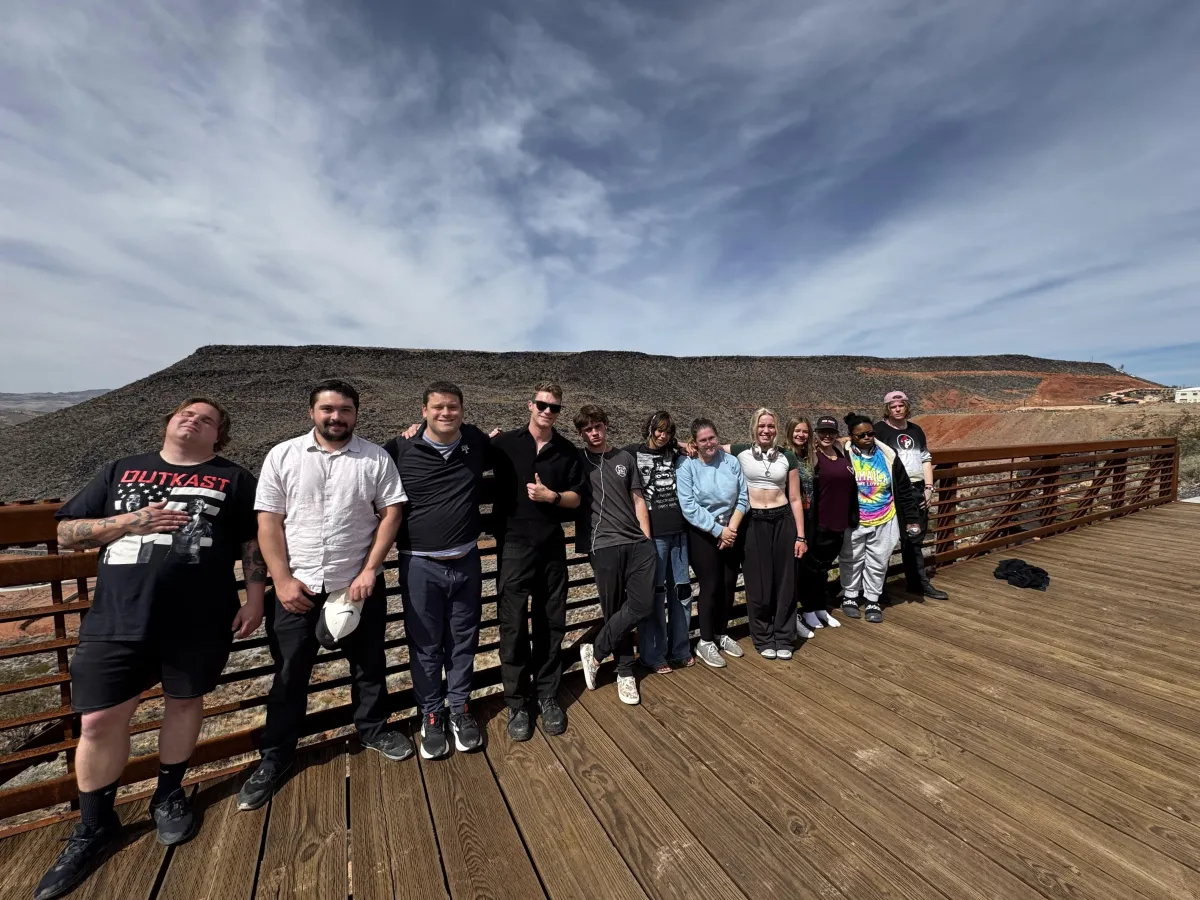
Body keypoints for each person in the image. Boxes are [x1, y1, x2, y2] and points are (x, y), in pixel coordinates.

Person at [37, 399, 263, 900]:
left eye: (206, 420)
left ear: (218, 435)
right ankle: (94, 825)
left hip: (200, 617)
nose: (193, 421)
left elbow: (252, 541)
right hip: (118, 615)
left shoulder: (233, 478)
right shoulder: (121, 469)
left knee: (184, 703)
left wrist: (254, 597)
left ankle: (169, 794)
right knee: (97, 721)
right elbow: (66, 530)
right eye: (186, 414)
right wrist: (128, 523)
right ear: (168, 422)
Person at [237, 380, 411, 812]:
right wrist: (281, 579)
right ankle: (275, 756)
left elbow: (391, 514)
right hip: (297, 586)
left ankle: (372, 730)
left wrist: (370, 570)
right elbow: (268, 522)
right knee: (290, 674)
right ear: (311, 411)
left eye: (346, 410)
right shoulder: (283, 456)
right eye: (328, 409)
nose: (337, 417)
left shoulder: (375, 458)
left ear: (356, 413)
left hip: (357, 585)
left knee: (369, 665)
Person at [383, 381, 494, 760]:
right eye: (438, 408)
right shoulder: (400, 447)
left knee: (463, 641)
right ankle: (431, 714)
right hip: (419, 563)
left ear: (463, 410)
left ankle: (460, 709)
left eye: (453, 407)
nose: (446, 413)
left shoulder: (476, 442)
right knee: (426, 645)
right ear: (423, 410)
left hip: (466, 560)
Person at [490, 383, 586, 741]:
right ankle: (517, 702)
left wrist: (553, 496)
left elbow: (576, 498)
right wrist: (414, 433)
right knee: (513, 625)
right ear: (530, 405)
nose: (547, 411)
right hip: (513, 545)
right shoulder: (504, 443)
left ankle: (547, 695)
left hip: (551, 546)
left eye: (554, 408)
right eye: (542, 405)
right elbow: (463, 455)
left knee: (551, 622)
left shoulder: (566, 451)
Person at [574, 405, 656, 705]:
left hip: (637, 542)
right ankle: (624, 673)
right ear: (581, 433)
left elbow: (638, 500)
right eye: (587, 429)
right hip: (603, 544)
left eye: (597, 426)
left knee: (642, 604)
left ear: (606, 426)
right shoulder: (578, 461)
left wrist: (647, 540)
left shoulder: (625, 458)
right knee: (614, 609)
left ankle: (595, 652)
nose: (593, 433)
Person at [728, 409, 807, 659]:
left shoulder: (787, 457)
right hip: (753, 521)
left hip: (782, 519)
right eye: (762, 425)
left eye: (771, 426)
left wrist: (801, 536)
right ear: (754, 428)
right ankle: (762, 637)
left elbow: (795, 497)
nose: (766, 430)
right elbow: (708, 445)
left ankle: (784, 636)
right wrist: (679, 444)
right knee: (757, 582)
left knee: (785, 581)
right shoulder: (740, 451)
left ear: (776, 429)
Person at [676, 418, 749, 669]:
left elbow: (743, 496)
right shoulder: (687, 466)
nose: (709, 444)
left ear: (718, 438)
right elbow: (688, 506)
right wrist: (718, 531)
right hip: (703, 532)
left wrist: (731, 529)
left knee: (730, 583)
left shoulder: (730, 462)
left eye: (712, 438)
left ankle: (721, 633)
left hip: (732, 528)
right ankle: (705, 640)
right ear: (694, 443)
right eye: (703, 440)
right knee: (711, 584)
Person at [624, 411, 692, 673]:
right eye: (658, 430)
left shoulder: (674, 452)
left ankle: (680, 649)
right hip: (652, 536)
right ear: (650, 429)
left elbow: (691, 449)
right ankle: (653, 654)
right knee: (655, 595)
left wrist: (686, 445)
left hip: (679, 532)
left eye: (667, 432)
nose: (662, 436)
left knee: (682, 593)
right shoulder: (632, 453)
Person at [839, 413, 923, 624]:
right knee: (851, 559)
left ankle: (872, 599)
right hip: (855, 519)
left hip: (885, 517)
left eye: (870, 433)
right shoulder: (844, 455)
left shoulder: (888, 455)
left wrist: (912, 518)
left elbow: (903, 488)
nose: (867, 437)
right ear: (851, 437)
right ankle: (850, 596)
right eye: (861, 435)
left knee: (878, 561)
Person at [874, 391, 949, 600]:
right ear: (887, 409)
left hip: (917, 490)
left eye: (900, 405)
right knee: (885, 540)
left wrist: (929, 487)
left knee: (914, 538)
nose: (897, 409)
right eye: (892, 406)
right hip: (891, 491)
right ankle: (877, 590)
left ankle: (917, 584)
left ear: (906, 406)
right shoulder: (879, 431)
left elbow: (925, 459)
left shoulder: (916, 430)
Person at [795, 416, 856, 633]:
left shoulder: (841, 453)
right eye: (822, 432)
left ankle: (820, 607)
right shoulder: (812, 457)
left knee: (823, 568)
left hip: (840, 522)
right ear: (816, 435)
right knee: (811, 568)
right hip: (819, 522)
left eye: (831, 432)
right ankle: (808, 609)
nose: (827, 436)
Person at [783, 417, 819, 639]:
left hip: (809, 520)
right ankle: (791, 618)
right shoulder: (784, 455)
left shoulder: (809, 456)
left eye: (805, 431)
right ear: (789, 432)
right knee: (791, 572)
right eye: (797, 430)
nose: (801, 435)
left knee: (803, 569)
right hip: (789, 521)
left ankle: (802, 612)